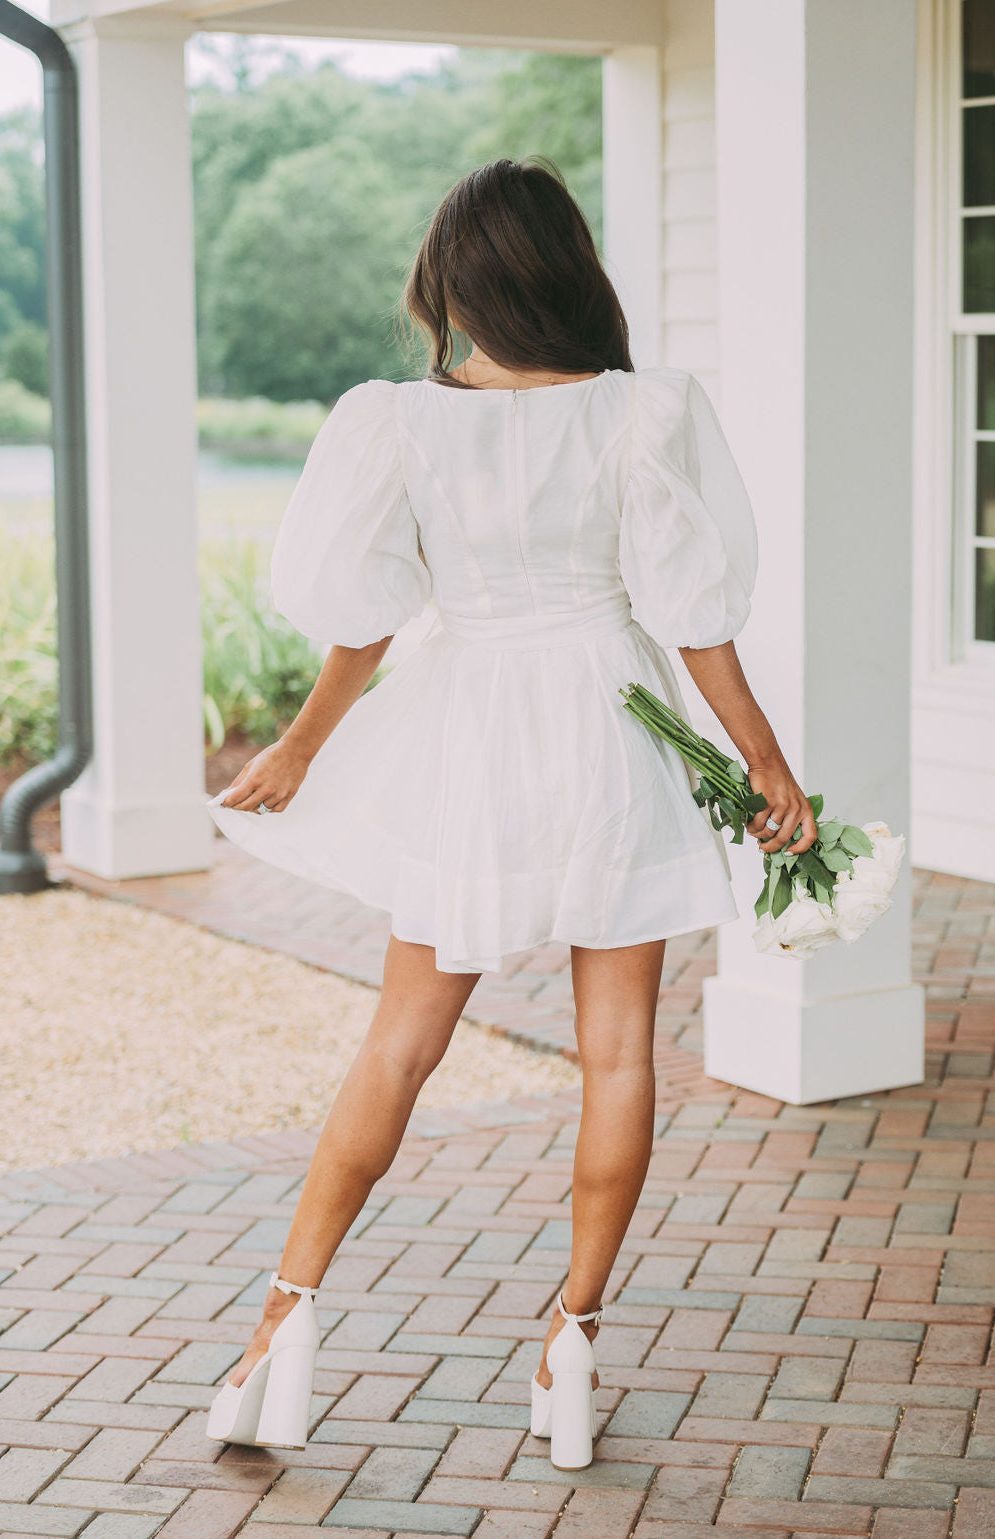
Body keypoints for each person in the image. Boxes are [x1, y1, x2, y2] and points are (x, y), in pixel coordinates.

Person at [204, 155, 817, 1470]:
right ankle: (574, 1341)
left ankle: (279, 1330)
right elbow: (692, 618)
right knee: (618, 1055)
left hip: (470, 734)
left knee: (398, 1048)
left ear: (456, 282)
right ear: (567, 272)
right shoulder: (645, 414)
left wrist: (303, 746)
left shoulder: (397, 420)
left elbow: (363, 619)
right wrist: (768, 761)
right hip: (609, 725)